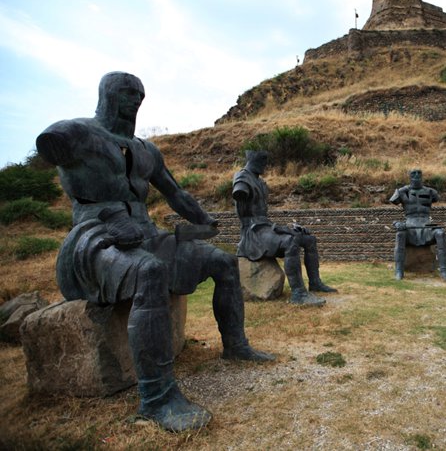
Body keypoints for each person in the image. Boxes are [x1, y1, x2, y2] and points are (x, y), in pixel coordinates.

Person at [35, 72, 273, 433]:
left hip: (145, 233)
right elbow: (48, 145)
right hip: (95, 237)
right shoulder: (76, 134)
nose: (135, 99)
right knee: (150, 271)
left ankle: (236, 345)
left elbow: (175, 193)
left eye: (140, 94)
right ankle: (157, 398)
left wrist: (203, 220)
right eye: (126, 92)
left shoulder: (146, 150)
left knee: (223, 261)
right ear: (106, 94)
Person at [232, 150, 336, 307]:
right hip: (252, 233)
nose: (265, 166)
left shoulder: (259, 181)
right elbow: (239, 193)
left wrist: (284, 228)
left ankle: (315, 282)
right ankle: (298, 293)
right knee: (290, 241)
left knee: (308, 239)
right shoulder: (242, 178)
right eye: (263, 162)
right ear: (254, 160)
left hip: (264, 227)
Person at [390, 169, 446, 282]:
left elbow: (436, 198)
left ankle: (444, 271)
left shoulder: (431, 192)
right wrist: (400, 191)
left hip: (426, 225)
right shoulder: (403, 191)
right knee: (400, 234)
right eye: (413, 173)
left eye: (419, 173)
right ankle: (399, 271)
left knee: (440, 233)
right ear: (409, 176)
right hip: (410, 226)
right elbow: (393, 200)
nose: (417, 175)